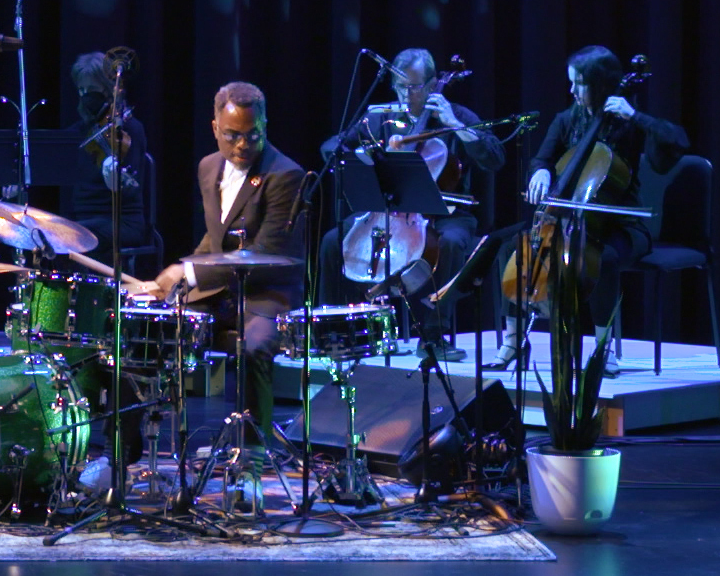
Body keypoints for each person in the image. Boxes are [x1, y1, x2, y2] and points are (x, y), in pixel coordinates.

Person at [147, 81, 306, 427]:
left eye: (253, 135)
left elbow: (264, 252)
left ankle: (251, 456)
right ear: (215, 128)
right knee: (148, 326)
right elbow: (217, 237)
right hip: (222, 291)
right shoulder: (208, 167)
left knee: (252, 348)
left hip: (268, 295)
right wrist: (177, 273)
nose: (242, 145)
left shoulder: (286, 176)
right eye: (233, 135)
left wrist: (188, 273)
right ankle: (132, 446)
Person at [521, 45, 687, 350]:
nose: (571, 90)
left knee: (602, 259)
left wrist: (636, 116)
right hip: (574, 222)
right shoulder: (567, 120)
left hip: (623, 226)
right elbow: (541, 158)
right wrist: (541, 172)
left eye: (579, 84)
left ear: (599, 85)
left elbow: (678, 140)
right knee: (519, 246)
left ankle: (603, 348)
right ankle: (512, 341)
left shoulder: (627, 123)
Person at [325, 47, 499, 301]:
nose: (406, 95)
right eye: (400, 86)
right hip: (388, 213)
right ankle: (337, 325)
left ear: (431, 85)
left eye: (414, 87)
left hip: (445, 214)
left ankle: (434, 332)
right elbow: (332, 147)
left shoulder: (456, 115)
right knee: (333, 240)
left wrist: (456, 126)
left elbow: (494, 157)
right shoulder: (381, 118)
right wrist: (358, 156)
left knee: (448, 243)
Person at [65, 50, 160, 271]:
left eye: (93, 90)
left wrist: (114, 180)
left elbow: (129, 190)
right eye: (81, 90)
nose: (86, 96)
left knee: (72, 235)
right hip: (83, 220)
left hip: (123, 222)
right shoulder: (76, 133)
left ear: (109, 90)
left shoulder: (130, 130)